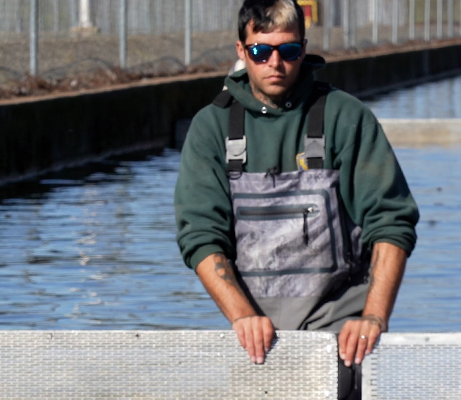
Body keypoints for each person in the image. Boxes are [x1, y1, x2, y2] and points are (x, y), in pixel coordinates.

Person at [174, 0, 418, 397]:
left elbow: (391, 221)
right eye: (260, 51)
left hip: (341, 339)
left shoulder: (346, 117)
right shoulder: (211, 127)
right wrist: (243, 317)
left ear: (303, 49)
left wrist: (374, 316)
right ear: (241, 51)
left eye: (288, 50)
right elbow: (200, 235)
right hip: (255, 341)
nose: (275, 62)